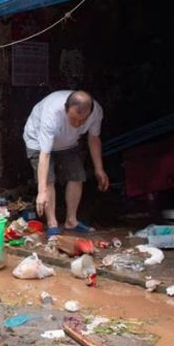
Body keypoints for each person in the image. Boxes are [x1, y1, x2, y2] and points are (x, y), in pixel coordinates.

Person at [23, 90, 109, 238]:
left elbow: (94, 138)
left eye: (82, 121)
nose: (77, 124)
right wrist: (42, 191)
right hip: (38, 142)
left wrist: (99, 169)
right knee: (48, 180)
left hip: (68, 142)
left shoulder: (96, 111)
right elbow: (45, 154)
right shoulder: (52, 113)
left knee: (77, 175)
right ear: (65, 108)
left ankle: (71, 220)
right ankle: (52, 224)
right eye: (73, 118)